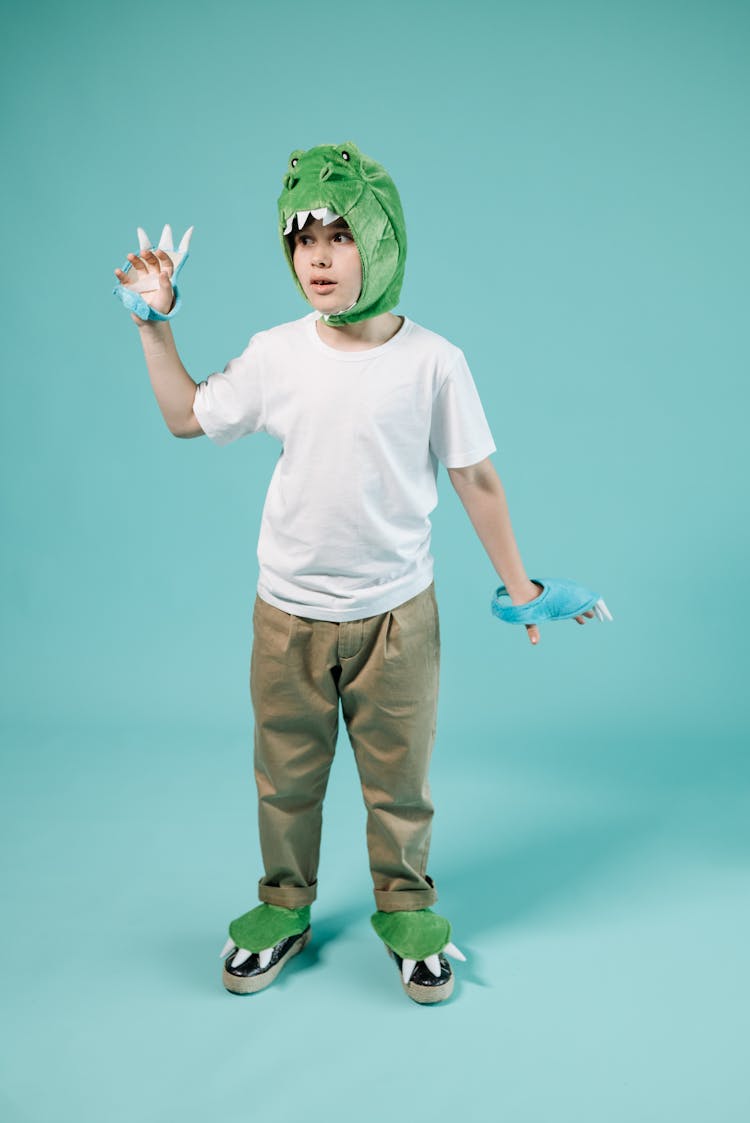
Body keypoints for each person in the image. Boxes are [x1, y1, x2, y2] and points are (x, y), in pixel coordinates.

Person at [113, 141, 601, 1005]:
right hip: (287, 615)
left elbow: (475, 478)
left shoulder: (434, 361)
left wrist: (520, 585)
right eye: (304, 240)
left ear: (380, 242)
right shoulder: (275, 353)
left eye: (340, 235)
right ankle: (284, 906)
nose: (321, 258)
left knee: (400, 784)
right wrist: (155, 322)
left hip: (396, 618)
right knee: (285, 780)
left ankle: (410, 913)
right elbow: (187, 415)